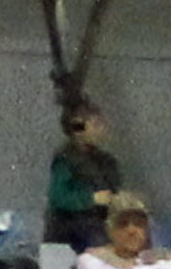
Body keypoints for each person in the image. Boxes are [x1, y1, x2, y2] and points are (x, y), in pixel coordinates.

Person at [47, 98, 130, 255]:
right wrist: (91, 199)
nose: (102, 130)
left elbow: (115, 190)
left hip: (104, 224)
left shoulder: (107, 161)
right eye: (96, 125)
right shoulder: (66, 160)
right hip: (73, 230)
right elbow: (58, 197)